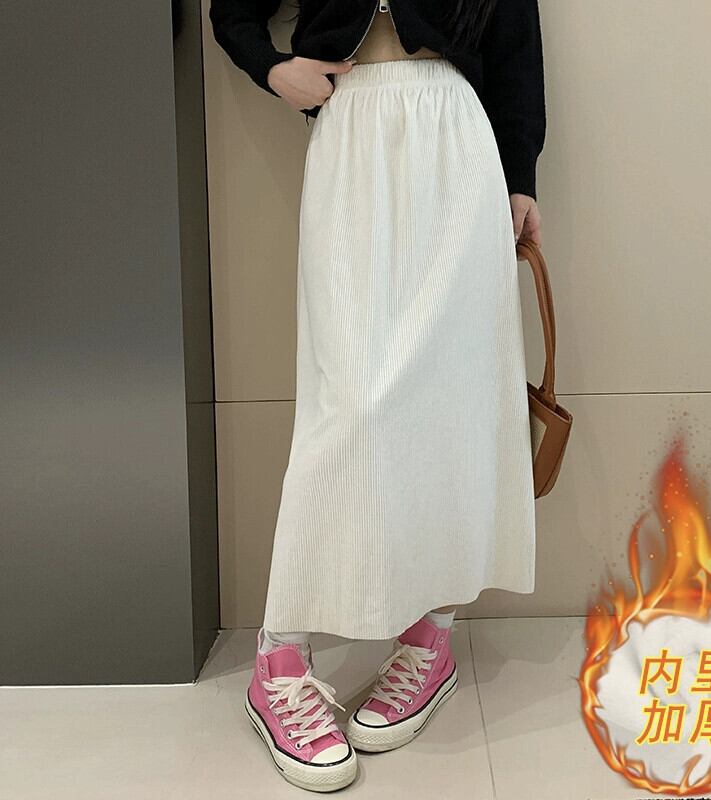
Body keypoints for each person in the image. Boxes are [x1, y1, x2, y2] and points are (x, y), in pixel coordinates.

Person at [209, 0, 545, 791]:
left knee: (454, 392)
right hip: (351, 129)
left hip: (460, 136)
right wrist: (271, 67)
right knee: (352, 405)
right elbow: (233, 9)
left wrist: (521, 175)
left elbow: (515, 35)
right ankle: (279, 658)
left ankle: (430, 638)